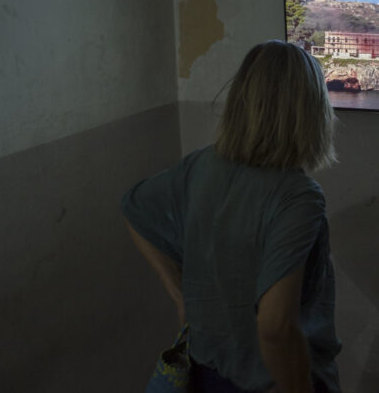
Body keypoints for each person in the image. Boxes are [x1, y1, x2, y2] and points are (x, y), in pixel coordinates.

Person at [122, 41, 342, 393]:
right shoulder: (298, 196)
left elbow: (135, 211)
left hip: (206, 375)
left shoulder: (201, 165)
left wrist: (180, 295)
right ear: (312, 109)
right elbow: (275, 326)